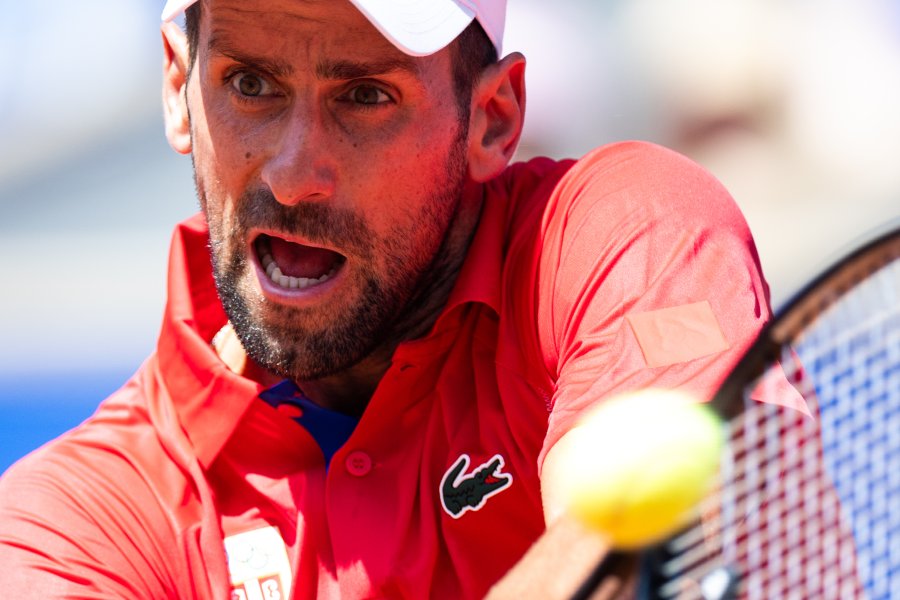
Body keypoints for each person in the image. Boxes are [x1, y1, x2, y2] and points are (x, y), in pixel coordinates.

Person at [0, 0, 772, 597]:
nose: (295, 174)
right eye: (251, 84)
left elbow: (632, 546)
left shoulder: (630, 228)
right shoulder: (65, 528)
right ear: (178, 87)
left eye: (365, 96)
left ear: (492, 118)